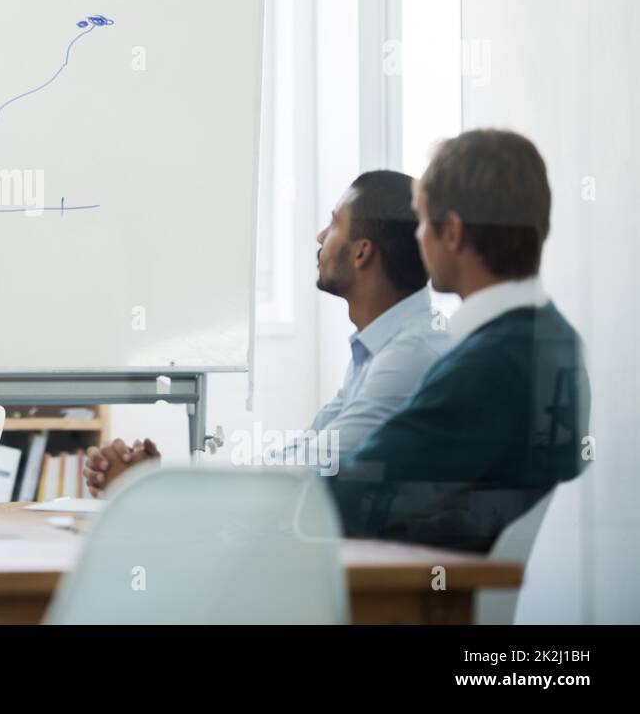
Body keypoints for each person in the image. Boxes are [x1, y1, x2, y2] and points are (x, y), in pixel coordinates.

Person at [87, 130, 591, 553]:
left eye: (425, 223)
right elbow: (323, 467)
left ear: (452, 233)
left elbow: (342, 499)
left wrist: (157, 498)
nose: (415, 240)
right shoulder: (539, 340)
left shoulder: (488, 364)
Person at [87, 170, 449, 489]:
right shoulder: (380, 348)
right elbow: (301, 453)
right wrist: (158, 481)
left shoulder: (408, 355)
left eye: (335, 223)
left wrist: (159, 487)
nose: (321, 236)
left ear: (361, 253)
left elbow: (311, 472)